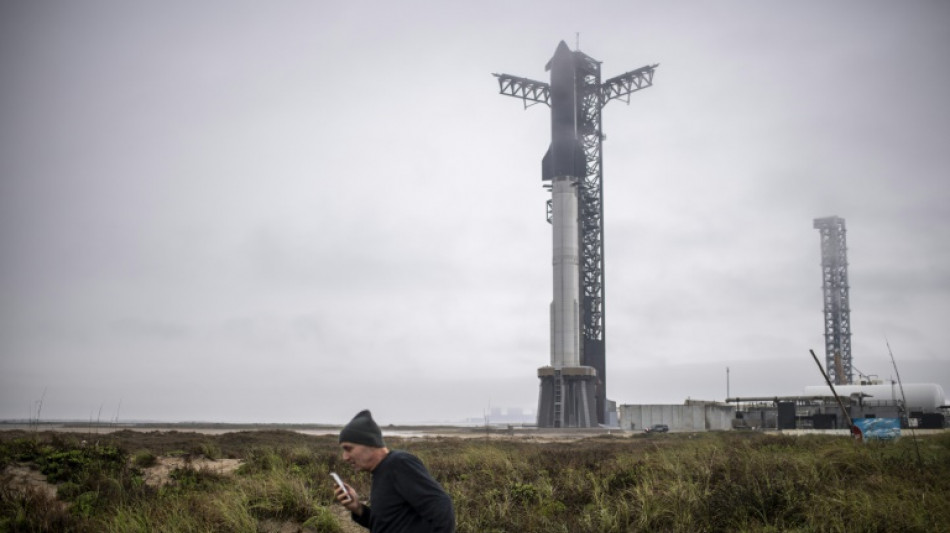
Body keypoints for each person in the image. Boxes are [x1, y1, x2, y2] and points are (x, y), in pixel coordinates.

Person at [333, 410, 455, 533]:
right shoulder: (381, 471)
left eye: (348, 449)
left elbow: (442, 506)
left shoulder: (398, 463)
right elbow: (387, 525)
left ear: (369, 443)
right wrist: (358, 508)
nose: (345, 457)